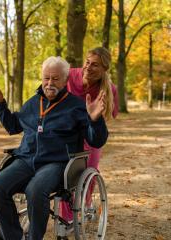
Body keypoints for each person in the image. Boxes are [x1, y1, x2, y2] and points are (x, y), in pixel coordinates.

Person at [0, 56, 108, 240]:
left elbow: (96, 141)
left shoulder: (76, 106)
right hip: (26, 160)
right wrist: (0, 105)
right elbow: (13, 126)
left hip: (57, 164)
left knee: (35, 191)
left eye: (55, 78)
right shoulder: (34, 103)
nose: (49, 83)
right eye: (46, 78)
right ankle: (13, 237)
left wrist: (94, 119)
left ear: (66, 80)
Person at [60, 47, 119, 221]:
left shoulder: (109, 89)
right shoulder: (68, 76)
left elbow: (110, 116)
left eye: (95, 65)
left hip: (90, 132)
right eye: (87, 62)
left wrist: (94, 118)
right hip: (67, 132)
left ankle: (85, 203)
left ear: (104, 70)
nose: (88, 67)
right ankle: (69, 217)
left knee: (89, 170)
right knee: (68, 173)